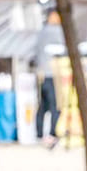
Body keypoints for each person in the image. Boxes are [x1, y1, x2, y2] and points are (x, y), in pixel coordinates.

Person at [33, 9, 65, 148]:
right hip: (53, 74)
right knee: (55, 106)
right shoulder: (56, 31)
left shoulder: (42, 32)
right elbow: (63, 50)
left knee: (43, 106)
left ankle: (39, 134)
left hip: (42, 74)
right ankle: (53, 133)